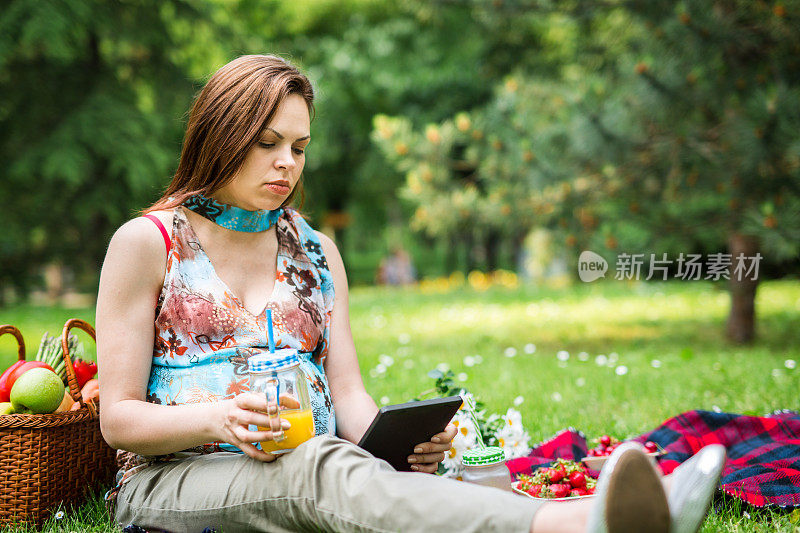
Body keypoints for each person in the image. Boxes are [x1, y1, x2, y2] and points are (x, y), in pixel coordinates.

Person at [96, 54, 724, 533]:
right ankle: (578, 526)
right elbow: (118, 420)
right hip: (173, 480)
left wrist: (398, 444)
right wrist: (218, 418)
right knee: (321, 469)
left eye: (299, 147)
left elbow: (348, 395)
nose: (287, 163)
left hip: (307, 461)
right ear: (220, 135)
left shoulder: (314, 251)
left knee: (430, 471)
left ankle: (642, 508)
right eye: (268, 144)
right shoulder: (148, 243)